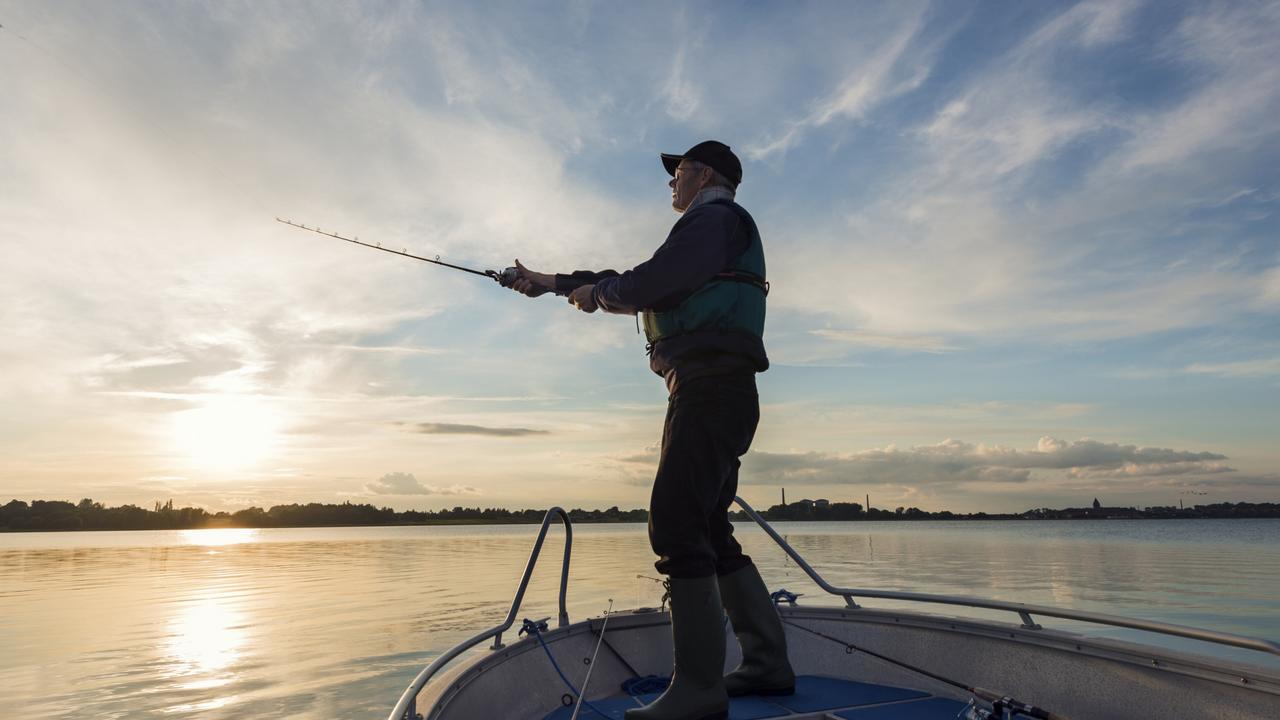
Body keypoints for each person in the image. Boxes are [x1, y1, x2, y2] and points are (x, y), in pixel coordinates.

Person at [507, 141, 794, 720]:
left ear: (704, 173)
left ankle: (699, 692)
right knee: (708, 527)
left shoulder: (715, 219)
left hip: (710, 388)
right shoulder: (712, 229)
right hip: (716, 388)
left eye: (678, 172)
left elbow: (647, 282)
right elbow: (640, 278)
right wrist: (552, 282)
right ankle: (765, 665)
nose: (670, 183)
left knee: (676, 522)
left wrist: (602, 295)